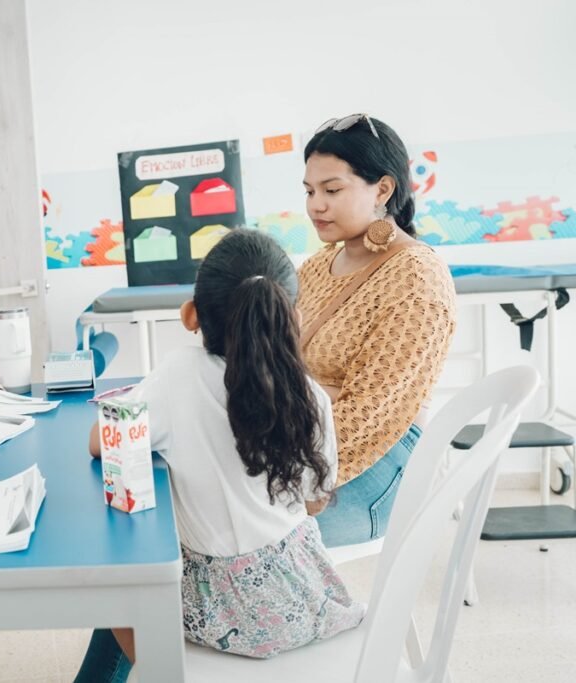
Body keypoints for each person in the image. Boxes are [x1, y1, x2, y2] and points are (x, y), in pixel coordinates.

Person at [74, 229, 364, 681]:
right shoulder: (310, 396)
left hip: (225, 611)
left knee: (116, 585)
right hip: (303, 596)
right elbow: (315, 500)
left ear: (191, 315)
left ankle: (157, 673)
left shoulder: (178, 376)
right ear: (295, 319)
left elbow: (102, 440)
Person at [298, 114, 456, 547]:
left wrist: (299, 479)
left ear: (383, 189)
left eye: (332, 190)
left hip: (379, 464)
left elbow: (372, 414)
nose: (316, 205)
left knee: (220, 533)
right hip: (306, 443)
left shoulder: (416, 277)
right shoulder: (316, 268)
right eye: (310, 191)